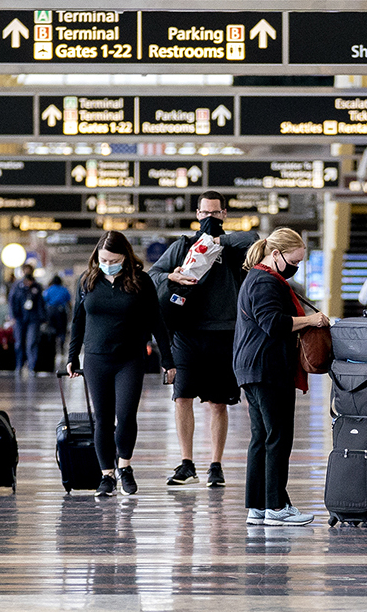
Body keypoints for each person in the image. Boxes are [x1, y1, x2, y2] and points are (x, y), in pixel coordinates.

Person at [147, 192, 248, 490]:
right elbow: (153, 275)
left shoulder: (233, 249)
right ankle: (186, 462)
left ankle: (215, 465)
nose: (209, 219)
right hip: (187, 333)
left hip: (224, 334)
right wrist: (173, 277)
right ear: (196, 213)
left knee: (219, 402)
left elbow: (255, 239)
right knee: (182, 397)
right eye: (204, 213)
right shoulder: (183, 246)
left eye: (215, 214)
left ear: (225, 214)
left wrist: (218, 241)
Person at [234, 228, 331, 527]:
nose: (296, 266)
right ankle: (276, 506)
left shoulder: (259, 278)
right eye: (294, 260)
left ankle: (259, 507)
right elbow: (273, 324)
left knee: (262, 438)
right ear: (275, 254)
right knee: (277, 437)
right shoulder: (265, 281)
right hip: (267, 368)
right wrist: (311, 320)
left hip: (253, 367)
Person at [68, 231, 165, 499]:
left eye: (113, 259)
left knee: (125, 416)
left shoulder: (140, 282)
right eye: (103, 258)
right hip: (96, 358)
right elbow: (78, 321)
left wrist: (168, 360)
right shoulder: (87, 280)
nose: (107, 263)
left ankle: (125, 466)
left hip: (130, 358)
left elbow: (156, 321)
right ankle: (106, 475)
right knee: (102, 419)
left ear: (125, 256)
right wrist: (72, 355)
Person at [7, 267, 44, 376]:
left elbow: (41, 303)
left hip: (33, 319)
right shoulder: (17, 287)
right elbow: (12, 301)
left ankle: (32, 366)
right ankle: (19, 365)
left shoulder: (37, 287)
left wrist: (42, 318)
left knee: (31, 342)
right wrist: (12, 316)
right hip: (19, 319)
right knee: (19, 343)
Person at [43, 271, 72, 366]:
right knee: (62, 332)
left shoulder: (48, 290)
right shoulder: (64, 290)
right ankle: (62, 351)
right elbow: (69, 303)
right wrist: (70, 315)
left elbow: (44, 302)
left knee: (52, 332)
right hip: (61, 312)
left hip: (51, 313)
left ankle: (53, 351)